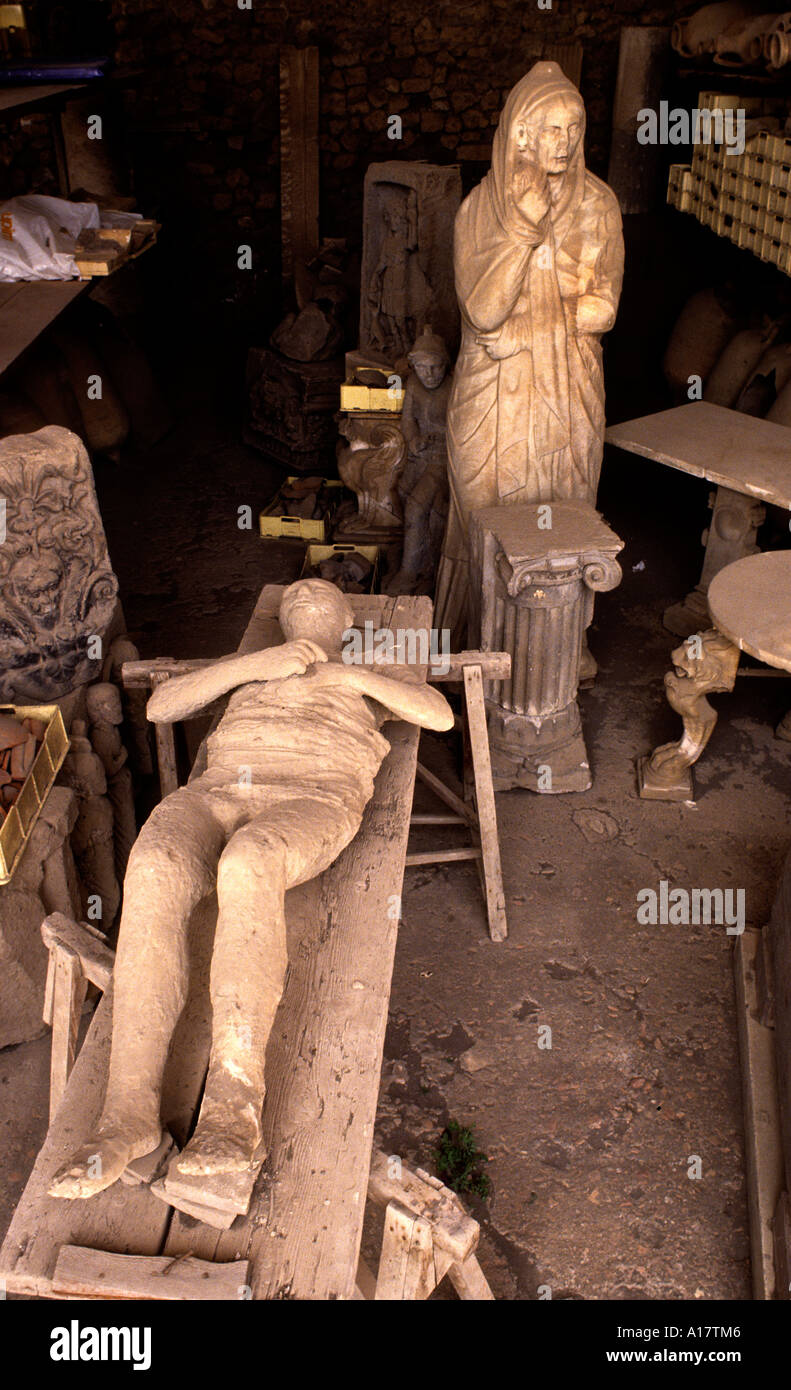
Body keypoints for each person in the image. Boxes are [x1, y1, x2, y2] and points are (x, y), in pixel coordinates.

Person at [50, 578, 453, 1199]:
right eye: (296, 596)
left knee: (249, 863)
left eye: (322, 595)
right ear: (283, 621)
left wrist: (346, 678)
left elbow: (439, 714)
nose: (309, 594)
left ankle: (231, 1115)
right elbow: (162, 707)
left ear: (346, 619)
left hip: (311, 793)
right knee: (155, 863)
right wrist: (256, 665)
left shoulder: (364, 670)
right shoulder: (254, 669)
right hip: (219, 792)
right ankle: (124, 1117)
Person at [435, 61, 624, 648]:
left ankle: (560, 649)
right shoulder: (478, 210)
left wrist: (571, 314)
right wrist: (523, 230)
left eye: (574, 128)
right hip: (495, 394)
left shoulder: (599, 205)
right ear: (520, 133)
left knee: (565, 506)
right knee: (484, 516)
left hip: (567, 388)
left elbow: (606, 306)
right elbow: (484, 311)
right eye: (551, 129)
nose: (565, 142)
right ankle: (475, 645)